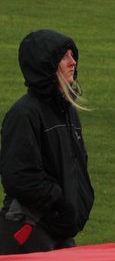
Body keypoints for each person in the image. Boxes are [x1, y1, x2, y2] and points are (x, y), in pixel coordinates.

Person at [0, 29, 95, 254]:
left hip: (59, 229)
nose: (73, 62)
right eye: (64, 56)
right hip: (29, 228)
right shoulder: (24, 114)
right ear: (45, 64)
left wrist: (78, 201)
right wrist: (60, 201)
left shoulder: (68, 112)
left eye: (73, 55)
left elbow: (76, 165)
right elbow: (20, 177)